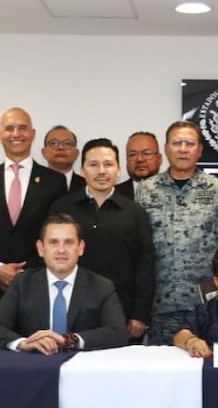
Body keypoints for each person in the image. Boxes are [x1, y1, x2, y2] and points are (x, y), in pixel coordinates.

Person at [135, 120, 218, 345]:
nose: (183, 149)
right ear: (166, 149)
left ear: (200, 150)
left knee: (209, 372)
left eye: (189, 143)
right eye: (177, 143)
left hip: (208, 306)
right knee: (164, 375)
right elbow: (135, 249)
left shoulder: (217, 189)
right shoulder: (146, 191)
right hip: (159, 307)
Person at [49, 138, 154, 343]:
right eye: (93, 164)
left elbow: (145, 264)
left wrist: (140, 315)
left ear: (118, 170)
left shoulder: (134, 211)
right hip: (71, 309)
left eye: (108, 164)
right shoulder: (62, 208)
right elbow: (50, 258)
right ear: (82, 170)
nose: (102, 171)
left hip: (121, 312)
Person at [0, 214, 129, 353]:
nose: (61, 250)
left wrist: (69, 340)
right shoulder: (23, 283)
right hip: (35, 369)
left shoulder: (101, 286)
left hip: (82, 371)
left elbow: (118, 332)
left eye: (69, 242)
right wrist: (24, 343)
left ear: (81, 248)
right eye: (53, 242)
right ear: (41, 248)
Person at [0, 107, 67, 324]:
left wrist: (25, 272)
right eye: (9, 128)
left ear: (33, 134)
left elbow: (55, 235)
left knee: (39, 353)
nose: (16, 134)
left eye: (23, 128)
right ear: (0, 135)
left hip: (39, 285)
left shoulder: (54, 181)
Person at [115, 131, 162, 200]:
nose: (140, 159)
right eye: (133, 155)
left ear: (159, 159)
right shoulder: (112, 195)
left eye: (146, 153)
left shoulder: (174, 192)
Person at [41, 124, 86, 192]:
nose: (60, 147)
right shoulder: (31, 184)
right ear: (44, 152)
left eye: (67, 143)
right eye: (54, 143)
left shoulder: (88, 186)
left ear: (76, 153)